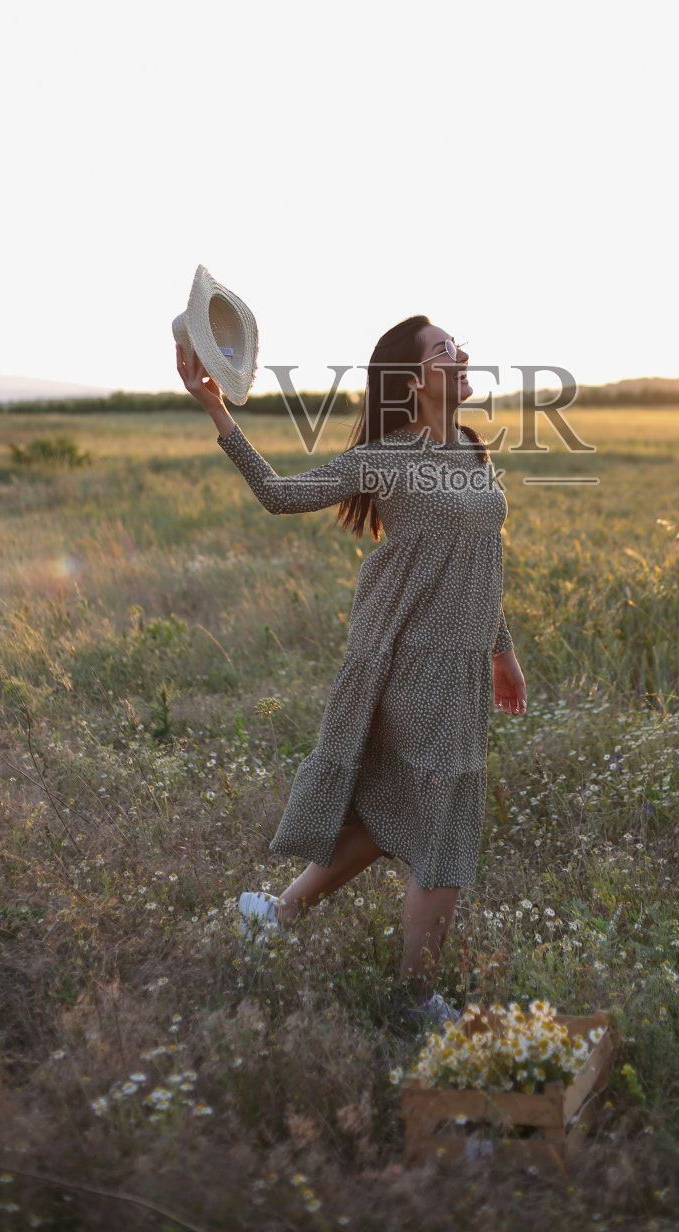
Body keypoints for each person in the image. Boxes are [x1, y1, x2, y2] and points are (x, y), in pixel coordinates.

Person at [175, 314, 527, 1028]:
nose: (461, 356)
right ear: (411, 377)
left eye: (457, 347)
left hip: (461, 666)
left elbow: (477, 565)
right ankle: (416, 996)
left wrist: (500, 651)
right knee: (443, 825)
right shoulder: (383, 458)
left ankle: (273, 914)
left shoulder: (468, 447)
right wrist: (214, 406)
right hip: (412, 665)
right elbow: (280, 494)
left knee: (389, 809)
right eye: (443, 351)